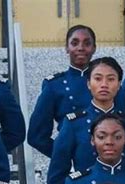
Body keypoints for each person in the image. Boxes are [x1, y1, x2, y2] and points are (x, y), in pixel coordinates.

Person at [47, 57, 125, 184]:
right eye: (98, 79)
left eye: (110, 79)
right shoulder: (74, 124)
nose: (104, 84)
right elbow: (56, 178)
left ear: (119, 84)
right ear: (88, 84)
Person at [27, 25, 98, 158]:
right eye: (74, 43)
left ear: (94, 48)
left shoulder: (107, 82)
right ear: (66, 47)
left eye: (87, 43)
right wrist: (63, 156)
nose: (81, 48)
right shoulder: (54, 85)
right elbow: (36, 136)